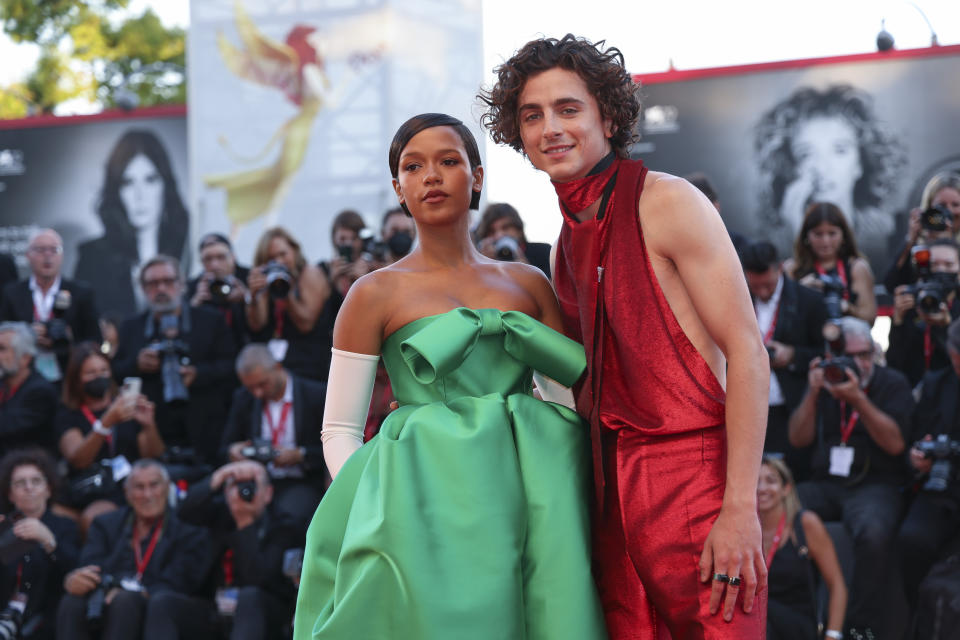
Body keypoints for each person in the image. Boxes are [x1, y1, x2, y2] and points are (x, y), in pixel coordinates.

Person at [480, 34, 769, 637]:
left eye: (568, 108)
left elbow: (747, 351)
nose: (550, 128)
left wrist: (740, 507)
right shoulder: (563, 245)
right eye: (532, 115)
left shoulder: (669, 202)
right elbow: (575, 388)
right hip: (610, 492)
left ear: (607, 116)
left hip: (696, 481)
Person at [293, 113, 605, 639]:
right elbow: (339, 430)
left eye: (448, 161)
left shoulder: (530, 283)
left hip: (527, 493)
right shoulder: (371, 294)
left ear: (477, 176)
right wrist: (379, 502)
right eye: (413, 167)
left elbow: (563, 408)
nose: (431, 176)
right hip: (419, 502)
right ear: (398, 188)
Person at [787, 317, 914, 637]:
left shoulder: (892, 382)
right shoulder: (826, 381)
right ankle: (787, 611)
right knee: (781, 507)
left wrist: (859, 400)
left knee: (873, 532)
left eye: (865, 354)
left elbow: (896, 444)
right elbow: (797, 439)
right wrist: (814, 392)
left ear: (874, 353)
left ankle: (860, 626)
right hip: (827, 482)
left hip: (875, 485)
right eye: (851, 355)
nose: (859, 363)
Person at [56, 459, 215, 640]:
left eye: (154, 485)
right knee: (72, 601)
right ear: (127, 493)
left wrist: (132, 591)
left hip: (162, 604)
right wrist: (78, 579)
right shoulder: (105, 524)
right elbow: (92, 565)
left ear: (167, 488)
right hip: (111, 598)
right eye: (139, 487)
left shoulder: (188, 528)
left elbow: (180, 582)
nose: (148, 495)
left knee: (125, 601)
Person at [754, 85, 905, 264]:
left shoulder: (888, 232)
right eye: (806, 154)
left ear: (860, 163)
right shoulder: (773, 244)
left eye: (840, 150)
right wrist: (795, 232)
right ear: (792, 166)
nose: (822, 168)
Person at [112, 255, 236, 465]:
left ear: (182, 284)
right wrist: (137, 364)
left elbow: (230, 367)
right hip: (151, 433)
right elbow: (116, 372)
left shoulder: (209, 320)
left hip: (204, 429)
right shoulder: (131, 328)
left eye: (168, 281)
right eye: (153, 283)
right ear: (143, 288)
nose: (161, 289)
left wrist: (198, 374)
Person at [177, 460, 304, 640]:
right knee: (164, 603)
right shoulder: (219, 514)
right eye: (235, 485)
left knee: (249, 596)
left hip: (262, 612)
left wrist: (244, 523)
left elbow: (258, 579)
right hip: (215, 608)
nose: (243, 491)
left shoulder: (285, 526)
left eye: (252, 484)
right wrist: (220, 474)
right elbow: (183, 512)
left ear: (268, 494)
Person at [74, 130, 190, 318]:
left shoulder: (187, 248)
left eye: (150, 180)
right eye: (128, 183)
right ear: (117, 190)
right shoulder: (92, 257)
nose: (140, 196)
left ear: (164, 185)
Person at [741, 241, 828, 482]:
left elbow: (826, 354)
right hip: (747, 407)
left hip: (792, 408)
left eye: (768, 284)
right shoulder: (735, 299)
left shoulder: (809, 301)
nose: (763, 292)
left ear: (780, 268)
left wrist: (793, 356)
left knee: (793, 481)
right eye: (755, 286)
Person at [55, 342, 164, 533]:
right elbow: (78, 459)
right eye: (90, 373)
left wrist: (149, 425)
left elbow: (153, 455)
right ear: (77, 379)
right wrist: (106, 423)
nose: (99, 377)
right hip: (90, 488)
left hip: (129, 485)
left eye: (104, 370)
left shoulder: (127, 407)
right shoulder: (67, 415)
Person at [221, 344, 327, 529]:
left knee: (287, 517)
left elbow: (330, 451)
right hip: (258, 479)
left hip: (301, 480)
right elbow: (225, 447)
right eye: (251, 388)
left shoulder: (315, 395)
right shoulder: (244, 399)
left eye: (262, 384)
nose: (257, 393)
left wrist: (300, 455)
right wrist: (234, 451)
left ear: (278, 367)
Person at [897, 318, 960, 608]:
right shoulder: (937, 383)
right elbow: (915, 437)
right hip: (940, 487)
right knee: (912, 540)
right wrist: (917, 457)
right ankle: (920, 618)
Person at [759, 457, 846, 640]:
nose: (762, 488)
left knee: (761, 610)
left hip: (797, 625)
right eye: (755, 482)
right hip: (756, 624)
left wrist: (833, 635)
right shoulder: (741, 530)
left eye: (771, 481)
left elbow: (837, 585)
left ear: (786, 488)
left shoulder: (805, 524)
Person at [0, 229, 101, 382]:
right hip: (24, 377)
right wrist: (27, 334)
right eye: (40, 250)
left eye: (54, 250)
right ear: (28, 255)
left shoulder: (81, 293)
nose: (48, 255)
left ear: (62, 256)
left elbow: (94, 340)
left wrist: (68, 339)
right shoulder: (11, 293)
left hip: (69, 377)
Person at [0, 449, 80, 640]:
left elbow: (75, 571)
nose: (29, 487)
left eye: (36, 481)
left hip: (47, 618)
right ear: (10, 494)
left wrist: (49, 541)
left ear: (48, 489)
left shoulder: (65, 526)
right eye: (20, 483)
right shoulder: (3, 526)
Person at [246, 227, 331, 382]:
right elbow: (257, 324)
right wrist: (253, 295)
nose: (279, 262)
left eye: (283, 254)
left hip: (311, 368)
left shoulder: (310, 274)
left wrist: (285, 289)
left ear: (294, 250)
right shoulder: (267, 279)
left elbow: (306, 324)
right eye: (271, 258)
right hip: (278, 369)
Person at [784, 202, 877, 325]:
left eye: (832, 233)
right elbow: (780, 318)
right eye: (818, 234)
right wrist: (800, 293)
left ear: (843, 235)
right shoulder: (792, 268)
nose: (825, 241)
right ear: (806, 236)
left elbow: (869, 318)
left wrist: (847, 308)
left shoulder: (857, 268)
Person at [887, 239, 960, 386]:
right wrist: (898, 322)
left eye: (948, 265)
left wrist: (946, 327)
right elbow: (894, 364)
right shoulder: (913, 301)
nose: (941, 270)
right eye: (933, 264)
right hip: (916, 395)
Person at [883, 171, 960, 293]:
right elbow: (891, 285)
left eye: (955, 205)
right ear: (928, 209)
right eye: (941, 206)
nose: (948, 212)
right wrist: (911, 239)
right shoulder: (919, 249)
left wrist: (948, 243)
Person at [186, 232, 251, 352]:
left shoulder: (249, 278)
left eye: (221, 257)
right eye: (208, 259)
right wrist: (195, 304)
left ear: (233, 256)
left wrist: (246, 298)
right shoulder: (192, 286)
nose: (214, 265)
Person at [0, 323, 58, 456]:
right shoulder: (4, 384)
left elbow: (7, 428)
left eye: (2, 349)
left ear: (25, 358)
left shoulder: (40, 392)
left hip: (27, 469)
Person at [474, 202, 553, 277]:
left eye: (506, 228)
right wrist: (482, 264)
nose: (499, 235)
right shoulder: (481, 259)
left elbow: (554, 289)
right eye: (492, 231)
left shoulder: (543, 252)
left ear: (519, 229)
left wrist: (526, 269)